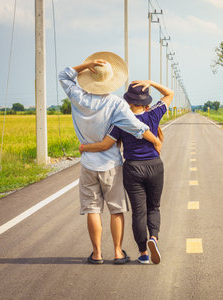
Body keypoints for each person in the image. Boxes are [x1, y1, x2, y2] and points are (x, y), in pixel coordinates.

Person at [58, 52, 162, 265]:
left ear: (91, 77)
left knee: (93, 209)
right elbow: (136, 126)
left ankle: (96, 254)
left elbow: (64, 76)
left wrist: (86, 64)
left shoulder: (77, 97)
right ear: (111, 80)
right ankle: (117, 252)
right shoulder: (117, 103)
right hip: (111, 164)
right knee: (116, 210)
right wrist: (155, 141)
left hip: (87, 162)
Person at [80, 80, 173, 264]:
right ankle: (153, 237)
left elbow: (106, 144)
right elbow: (169, 94)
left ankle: (143, 253)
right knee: (154, 207)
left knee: (139, 211)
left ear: (128, 102)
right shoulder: (153, 114)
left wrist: (85, 147)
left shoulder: (121, 121)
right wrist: (151, 83)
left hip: (133, 168)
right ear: (146, 101)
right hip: (154, 165)